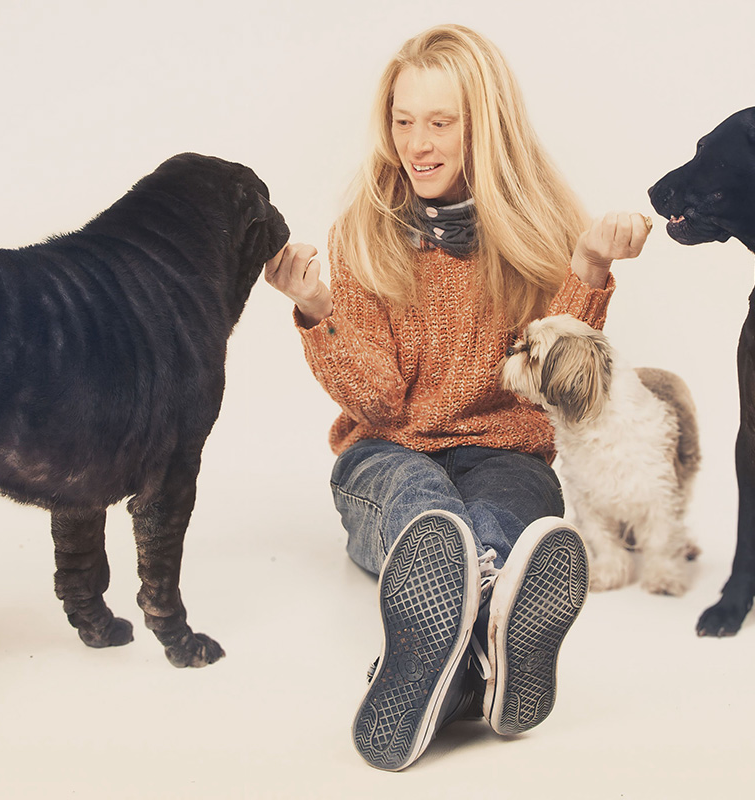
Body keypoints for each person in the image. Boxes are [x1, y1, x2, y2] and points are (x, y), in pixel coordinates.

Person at [265, 24, 650, 771]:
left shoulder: (535, 232)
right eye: (403, 123)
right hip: (386, 455)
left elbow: (559, 375)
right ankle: (479, 646)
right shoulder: (366, 234)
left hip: (501, 452)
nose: (419, 143)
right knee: (426, 504)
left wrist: (591, 266)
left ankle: (443, 662)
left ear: (486, 127)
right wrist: (318, 309)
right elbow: (377, 400)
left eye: (441, 123)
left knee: (513, 498)